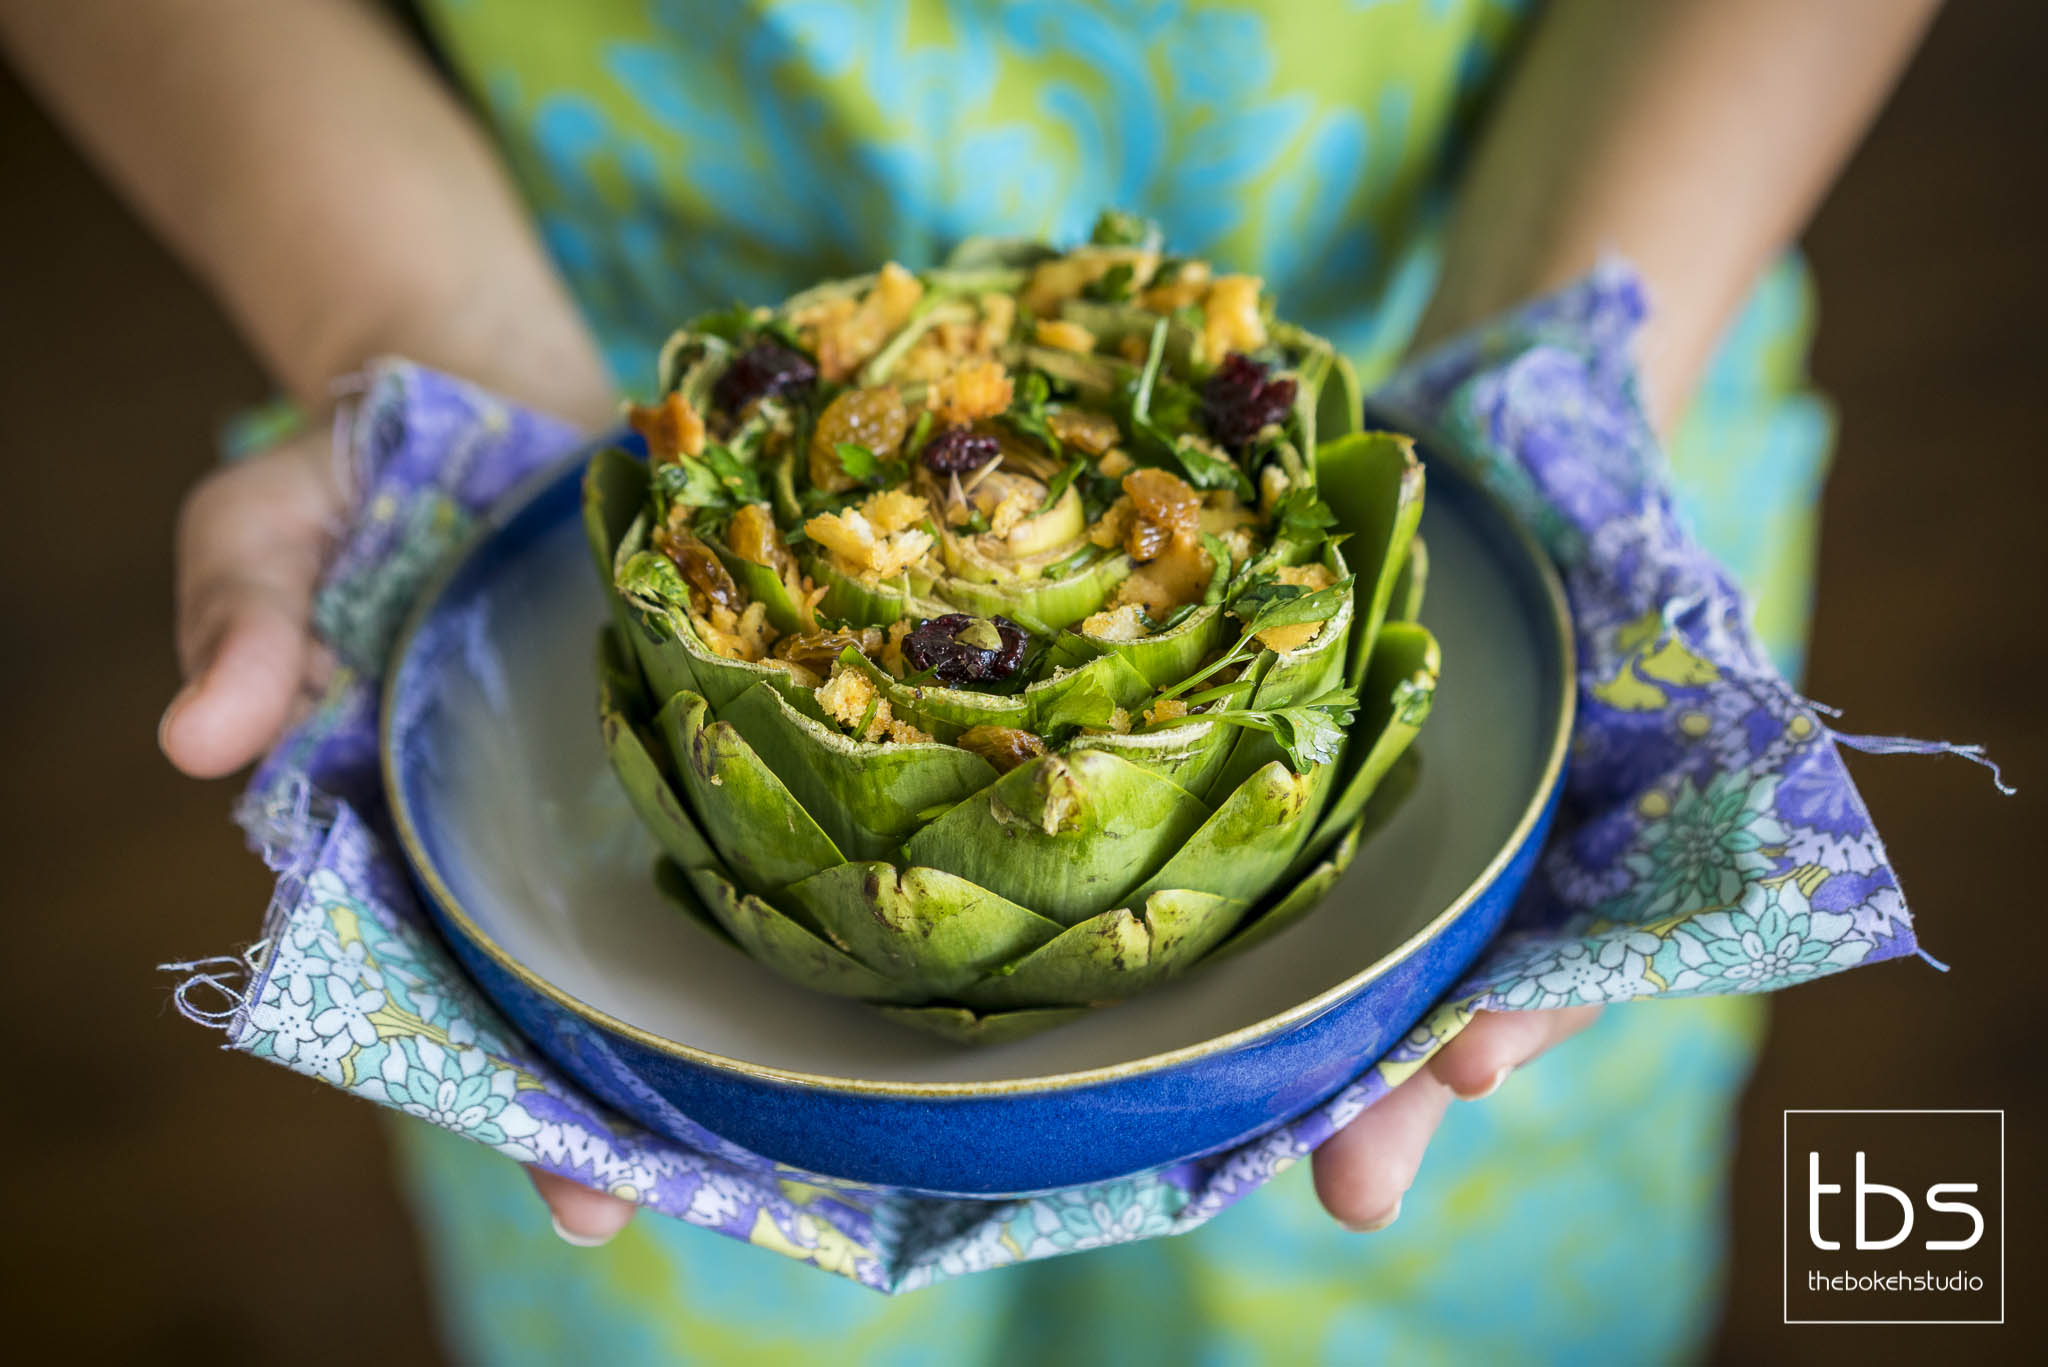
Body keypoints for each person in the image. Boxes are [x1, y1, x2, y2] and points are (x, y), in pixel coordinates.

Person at [0, 0, 1936, 1359]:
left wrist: (1570, 392)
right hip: (557, 382)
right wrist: (399, 324)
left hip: (1560, 317)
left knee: (1455, 1299)